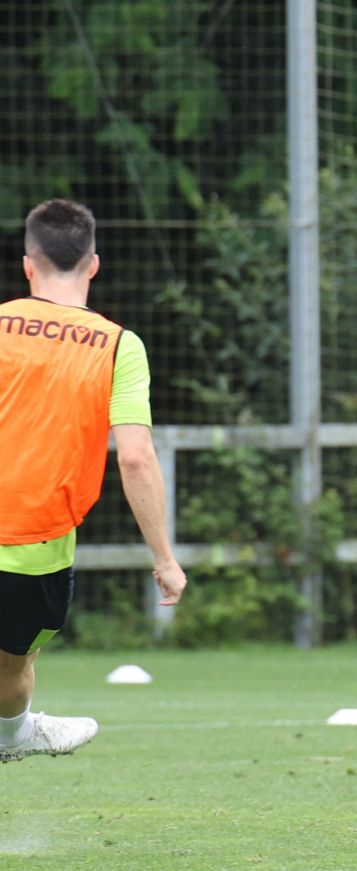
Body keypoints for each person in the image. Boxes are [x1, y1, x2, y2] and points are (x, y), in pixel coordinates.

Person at [0, 199, 185, 764]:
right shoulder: (117, 346)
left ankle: (15, 732)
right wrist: (164, 557)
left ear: (28, 264)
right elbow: (134, 457)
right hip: (35, 544)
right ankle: (13, 735)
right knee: (13, 665)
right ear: (94, 264)